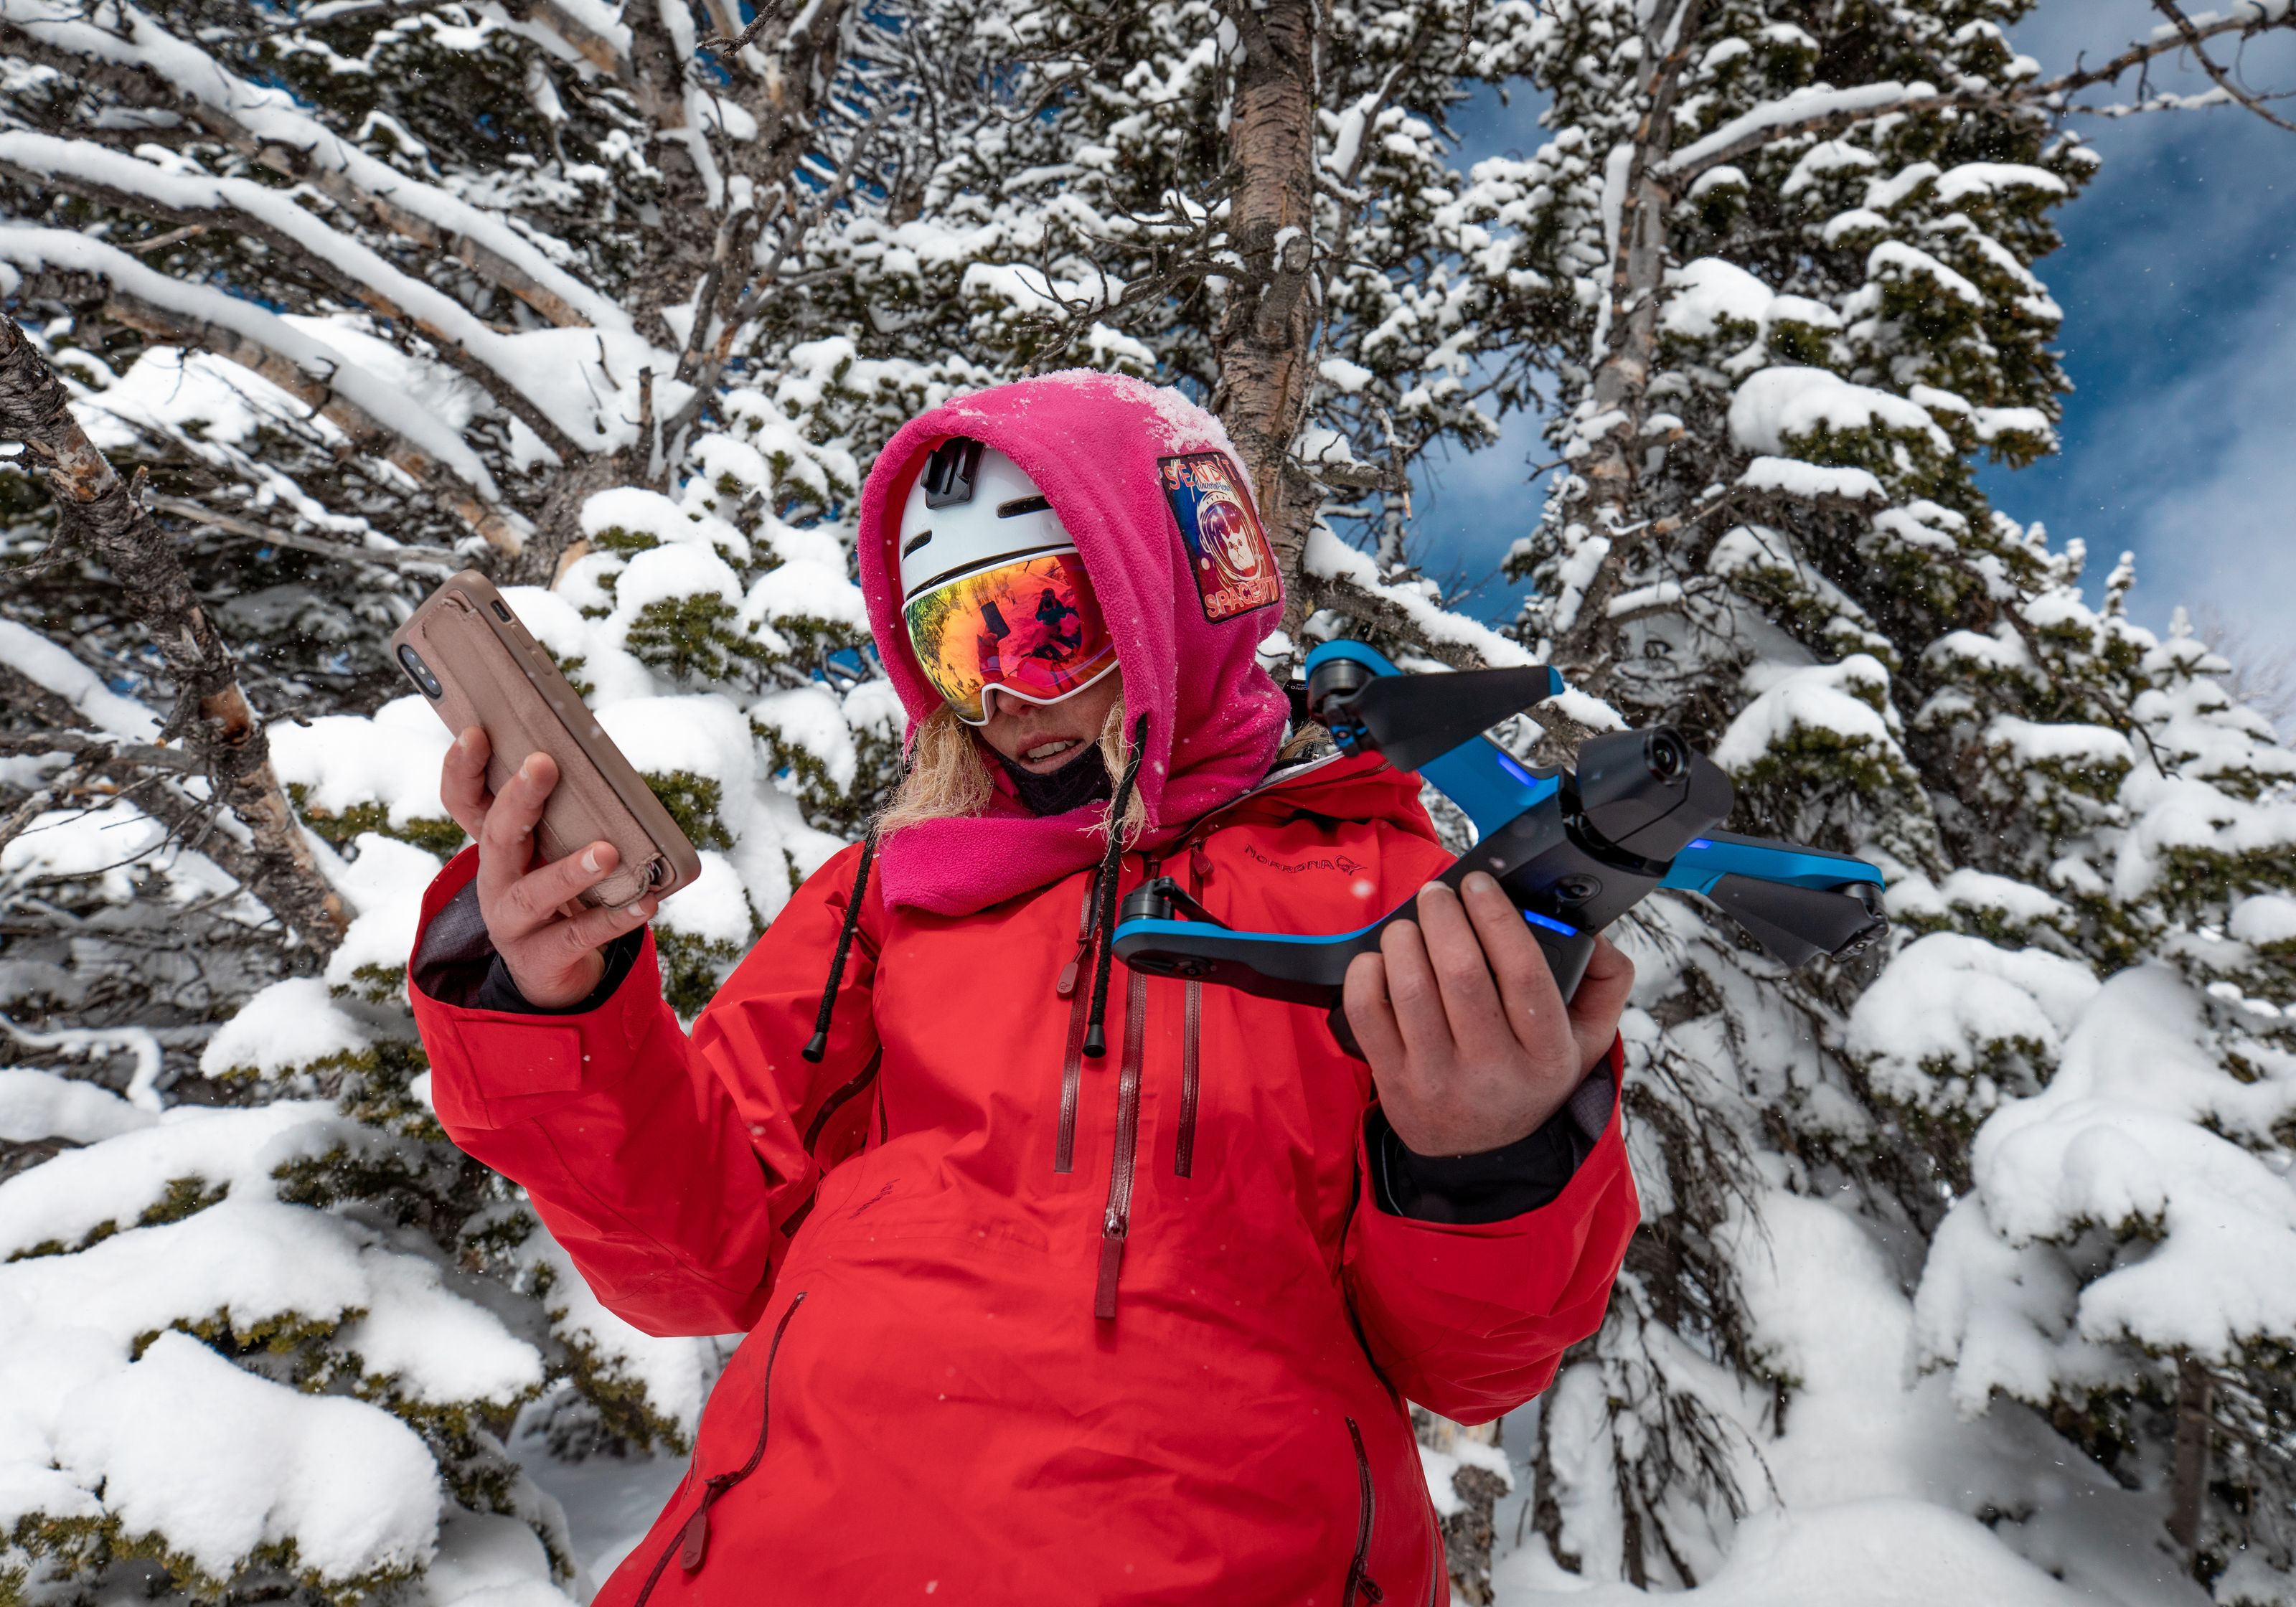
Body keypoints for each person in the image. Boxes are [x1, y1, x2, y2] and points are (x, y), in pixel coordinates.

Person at [407, 372, 1640, 1605]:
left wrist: (1481, 1162)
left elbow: (1470, 1367)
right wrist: (558, 1005)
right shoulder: (893, 894)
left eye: (1041, 621)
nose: (998, 694)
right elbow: (690, 1263)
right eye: (952, 641)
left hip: (1219, 1561)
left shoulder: (1382, 890)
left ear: (1171, 596)